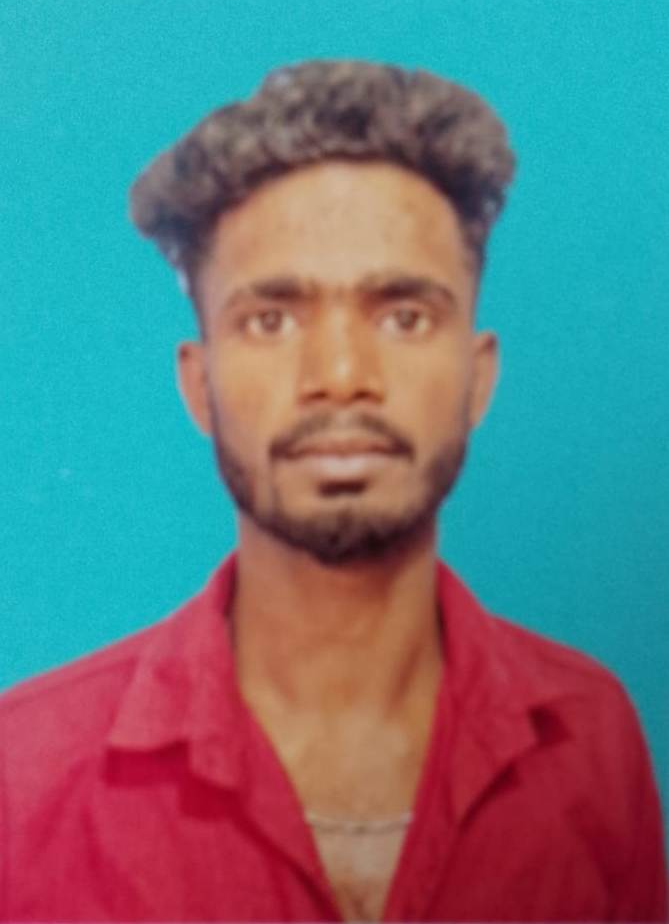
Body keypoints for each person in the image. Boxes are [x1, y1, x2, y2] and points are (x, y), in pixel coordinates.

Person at [0, 60, 665, 923]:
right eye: (271, 319)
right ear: (199, 386)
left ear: (477, 377)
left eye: (403, 316)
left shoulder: (590, 738)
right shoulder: (22, 770)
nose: (342, 375)